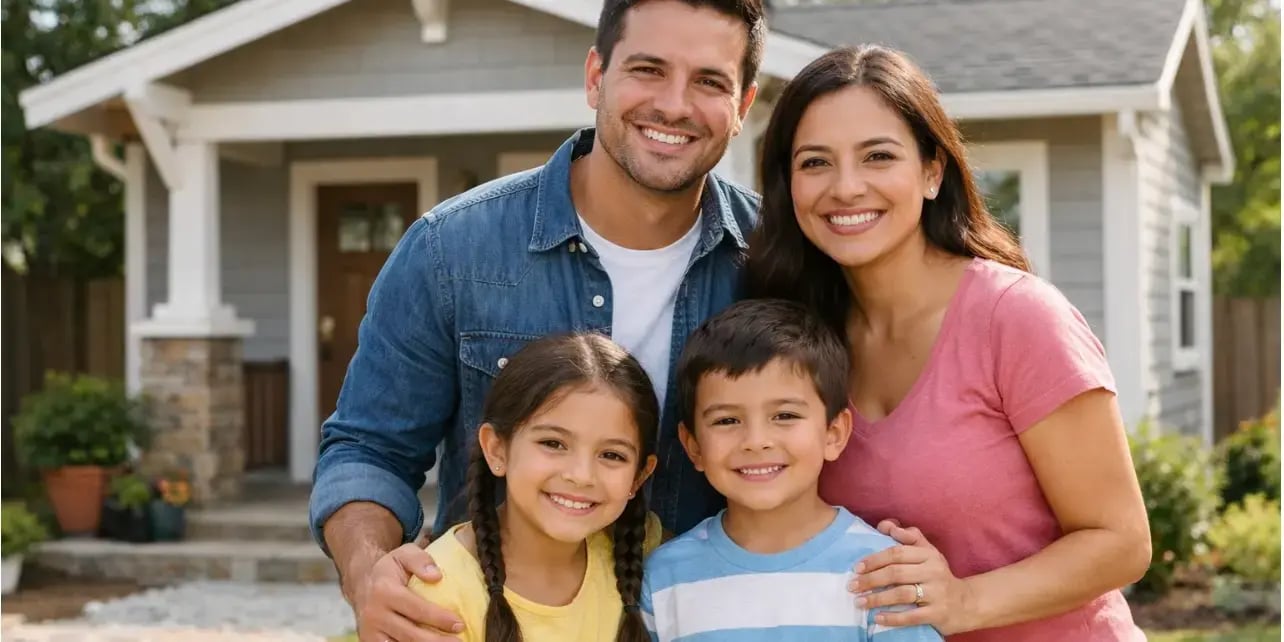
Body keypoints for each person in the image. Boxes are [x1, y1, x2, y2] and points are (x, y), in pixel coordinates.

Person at [309, 1, 766, 640]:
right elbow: (369, 447)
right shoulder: (451, 250)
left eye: (710, 81)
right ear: (594, 77)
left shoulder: (779, 261)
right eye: (648, 69)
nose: (675, 104)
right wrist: (368, 573)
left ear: (744, 103)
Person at [743, 45, 1152, 641]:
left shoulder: (1017, 318)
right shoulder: (799, 339)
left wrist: (964, 600)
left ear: (933, 172)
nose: (846, 187)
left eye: (878, 156)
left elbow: (1122, 542)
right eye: (815, 163)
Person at [640, 299, 943, 642]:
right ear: (693, 445)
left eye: (784, 416)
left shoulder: (881, 570)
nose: (756, 441)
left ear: (834, 433)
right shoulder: (665, 577)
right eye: (727, 420)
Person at [407, 333, 661, 642]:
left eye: (611, 455)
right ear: (497, 450)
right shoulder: (441, 589)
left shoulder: (646, 554)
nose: (581, 475)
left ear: (639, 477)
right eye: (553, 443)